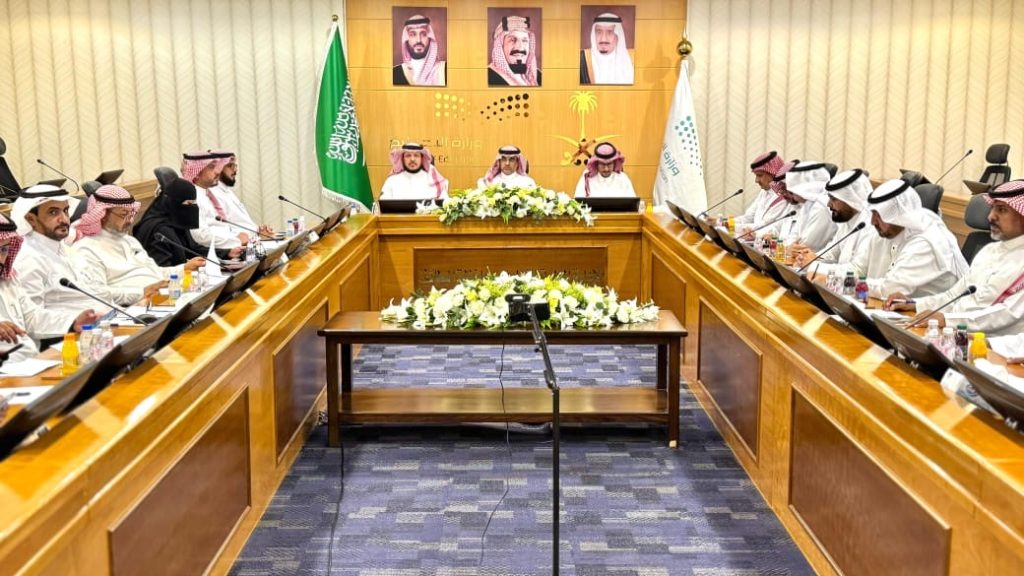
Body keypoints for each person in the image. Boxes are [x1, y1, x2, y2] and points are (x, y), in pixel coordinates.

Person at [886, 180, 1024, 335]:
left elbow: (1005, 314)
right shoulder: (988, 251)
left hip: (990, 344)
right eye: (993, 208)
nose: (991, 216)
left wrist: (947, 320)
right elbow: (953, 296)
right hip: (953, 334)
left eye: (1002, 210)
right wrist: (914, 304)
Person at [73, 185, 206, 306]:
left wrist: (184, 268)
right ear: (103, 214)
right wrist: (142, 292)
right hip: (134, 309)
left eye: (132, 214)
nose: (130, 220)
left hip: (163, 299)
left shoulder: (129, 241)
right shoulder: (86, 249)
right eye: (124, 214)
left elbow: (155, 272)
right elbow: (97, 294)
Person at [10, 185, 109, 336]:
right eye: (53, 212)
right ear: (31, 219)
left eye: (65, 211)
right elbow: (29, 318)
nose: (64, 219)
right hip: (67, 336)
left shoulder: (62, 246)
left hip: (103, 323)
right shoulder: (27, 258)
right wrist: (72, 322)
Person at [847, 178, 966, 300]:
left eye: (879, 215)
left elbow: (889, 290)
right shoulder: (886, 232)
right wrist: (836, 275)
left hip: (930, 310)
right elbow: (858, 268)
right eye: (872, 213)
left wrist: (846, 282)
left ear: (897, 215)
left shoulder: (927, 242)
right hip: (891, 307)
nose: (873, 221)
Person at [0, 214, 95, 364]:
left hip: (28, 363)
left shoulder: (8, 279)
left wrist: (73, 321)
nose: (1, 258)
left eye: (4, 249)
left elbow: (31, 317)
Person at [134, 178, 243, 267]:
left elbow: (193, 249)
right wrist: (187, 268)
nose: (192, 209)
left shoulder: (176, 223)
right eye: (189, 204)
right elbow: (162, 270)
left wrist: (228, 253)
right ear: (173, 203)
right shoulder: (159, 231)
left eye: (194, 203)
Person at [793, 168, 873, 272]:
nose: (829, 204)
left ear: (850, 199)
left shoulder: (870, 226)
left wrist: (815, 266)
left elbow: (857, 270)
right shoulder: (847, 220)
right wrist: (811, 258)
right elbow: (832, 254)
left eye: (834, 199)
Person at [181, 150, 248, 249]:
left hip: (229, 246)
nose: (217, 172)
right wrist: (236, 241)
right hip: (215, 253)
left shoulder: (206, 194)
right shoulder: (192, 198)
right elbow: (201, 236)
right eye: (211, 167)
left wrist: (239, 235)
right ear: (197, 172)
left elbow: (220, 227)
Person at [772, 161, 836, 251]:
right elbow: (794, 236)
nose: (789, 192)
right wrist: (786, 248)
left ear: (805, 188)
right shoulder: (807, 205)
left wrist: (786, 249)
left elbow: (806, 245)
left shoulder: (822, 208)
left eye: (792, 189)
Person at [210, 151, 274, 239]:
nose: (235, 170)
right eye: (230, 166)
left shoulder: (227, 191)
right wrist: (255, 234)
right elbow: (223, 229)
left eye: (235, 166)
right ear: (218, 168)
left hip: (252, 239)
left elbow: (240, 223)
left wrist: (259, 231)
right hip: (239, 243)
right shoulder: (213, 194)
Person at [734, 151, 789, 232]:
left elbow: (764, 225)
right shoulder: (765, 191)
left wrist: (730, 226)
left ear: (773, 174)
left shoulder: (783, 195)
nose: (756, 180)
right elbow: (748, 217)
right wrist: (725, 223)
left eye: (759, 175)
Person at [379, 142, 449, 200]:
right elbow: (383, 203)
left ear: (422, 158)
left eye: (416, 155)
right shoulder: (392, 180)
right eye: (408, 155)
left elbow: (445, 202)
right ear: (402, 159)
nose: (412, 159)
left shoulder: (434, 180)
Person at [579, 12, 634, 85]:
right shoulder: (581, 59)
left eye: (610, 32)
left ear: (618, 36)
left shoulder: (632, 59)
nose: (603, 39)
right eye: (599, 32)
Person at [393, 14, 446, 86]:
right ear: (406, 39)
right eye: (412, 34)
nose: (418, 40)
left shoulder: (444, 70)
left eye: (423, 34)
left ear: (430, 38)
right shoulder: (395, 73)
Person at [488, 15, 541, 86]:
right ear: (500, 45)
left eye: (524, 40)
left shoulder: (539, 76)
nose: (520, 47)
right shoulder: (489, 77)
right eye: (512, 40)